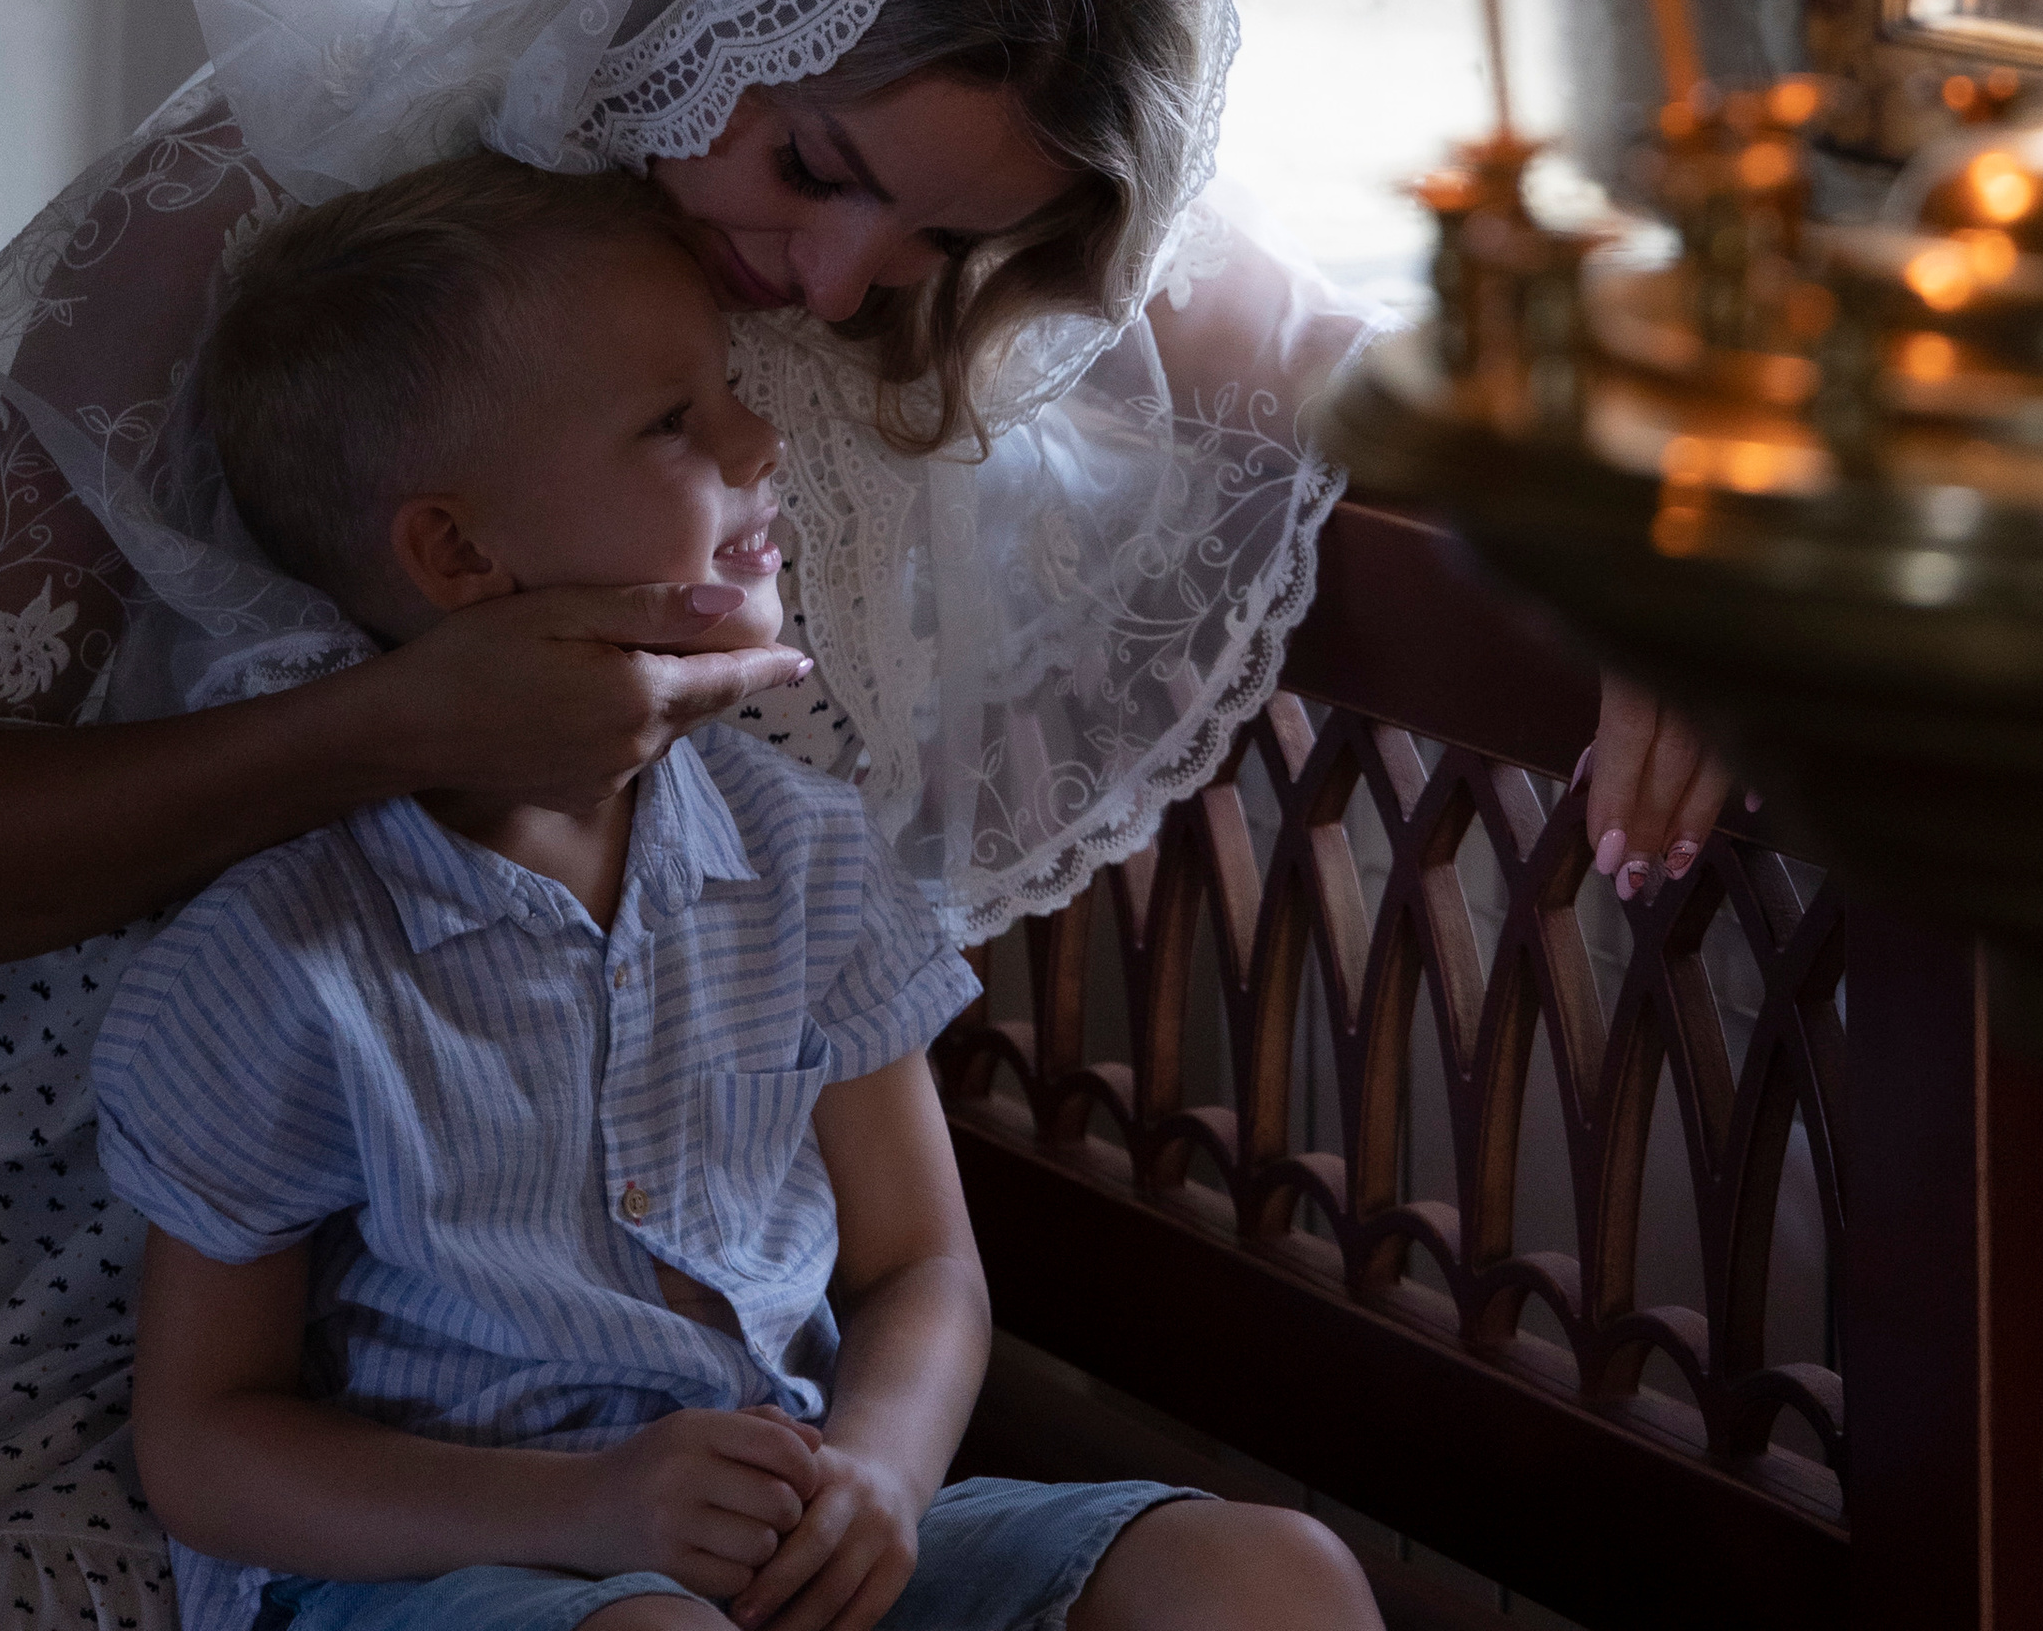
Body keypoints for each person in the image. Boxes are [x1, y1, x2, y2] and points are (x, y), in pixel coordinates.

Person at [0, 0, 1722, 1628]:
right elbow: (214, 1412)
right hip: (276, 1272)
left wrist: (1639, 538)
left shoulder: (794, 853)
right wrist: (387, 729)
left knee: (1253, 1580)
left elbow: (1354, 361)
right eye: (812, 162)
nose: (829, 283)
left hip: (743, 1414)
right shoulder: (304, 215)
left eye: (935, 240)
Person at [97, 150, 1370, 1631]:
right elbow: (203, 1444)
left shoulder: (799, 853)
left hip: (791, 1544)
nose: (761, 436)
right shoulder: (284, 951)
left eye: (729, 387)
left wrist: (880, 1482)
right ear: (457, 551)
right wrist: (592, 1511)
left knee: (1265, 1575)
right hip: (458, 1571)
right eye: (674, 422)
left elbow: (920, 1268)